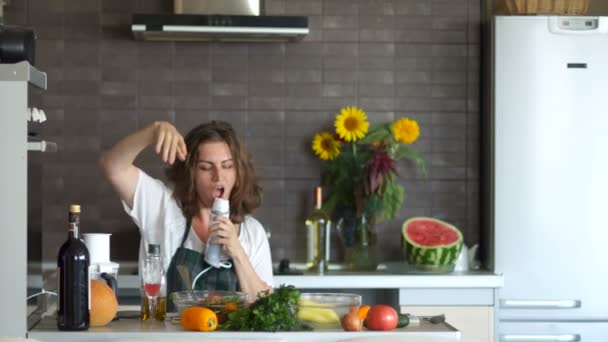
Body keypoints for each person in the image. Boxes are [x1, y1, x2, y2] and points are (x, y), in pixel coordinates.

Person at [99, 120, 273, 305]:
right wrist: (151, 133)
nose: (218, 176)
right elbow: (112, 167)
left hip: (229, 334)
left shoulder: (253, 233)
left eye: (227, 166)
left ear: (238, 173)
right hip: (168, 333)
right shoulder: (163, 209)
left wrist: (237, 252)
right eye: (206, 167)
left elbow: (266, 307)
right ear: (191, 173)